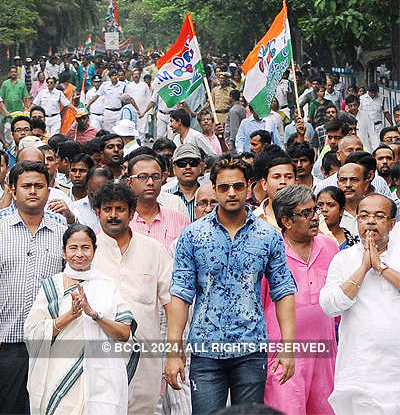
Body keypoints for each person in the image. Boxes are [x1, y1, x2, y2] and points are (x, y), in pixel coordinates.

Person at [165, 155, 297, 414]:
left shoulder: (267, 235)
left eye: (238, 186)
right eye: (224, 187)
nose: (231, 193)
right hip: (205, 349)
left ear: (249, 186)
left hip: (251, 348)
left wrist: (288, 347)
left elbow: (283, 292)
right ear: (214, 188)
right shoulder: (193, 235)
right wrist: (173, 350)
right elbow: (180, 294)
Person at [0, 161, 66, 413]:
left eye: (39, 186)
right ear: (12, 190)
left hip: (52, 341)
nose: (32, 191)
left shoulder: (64, 233)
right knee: (9, 407)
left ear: (48, 191)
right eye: (26, 186)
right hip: (8, 342)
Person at [25, 224, 135, 414]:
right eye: (73, 248)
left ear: (94, 250)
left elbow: (125, 333)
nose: (79, 254)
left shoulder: (106, 286)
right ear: (64, 252)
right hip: (60, 380)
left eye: (85, 247)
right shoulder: (52, 287)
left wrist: (95, 315)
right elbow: (32, 333)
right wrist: (70, 316)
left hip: (103, 382)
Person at [92, 182, 172, 415]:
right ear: (97, 212)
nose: (113, 215)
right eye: (107, 209)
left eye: (120, 209)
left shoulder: (154, 250)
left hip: (146, 357)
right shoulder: (87, 251)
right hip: (99, 355)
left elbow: (171, 302)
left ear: (132, 213)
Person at [320, 194, 400, 414]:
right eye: (364, 216)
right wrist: (363, 269)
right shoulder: (343, 259)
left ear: (392, 224)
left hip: (396, 370)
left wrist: (382, 268)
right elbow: (329, 306)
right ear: (356, 221)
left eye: (379, 216)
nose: (371, 221)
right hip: (360, 370)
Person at [264, 185, 338, 414]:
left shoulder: (330, 245)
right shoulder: (270, 251)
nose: (315, 217)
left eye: (315, 210)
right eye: (306, 213)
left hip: (325, 355)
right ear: (286, 220)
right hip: (284, 356)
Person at [127, 154, 189, 250]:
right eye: (143, 177)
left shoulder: (180, 220)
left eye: (155, 177)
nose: (150, 182)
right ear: (129, 182)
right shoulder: (120, 221)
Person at [163, 143, 204, 222]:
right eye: (182, 164)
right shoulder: (164, 197)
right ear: (174, 169)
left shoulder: (210, 196)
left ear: (200, 167)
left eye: (193, 163)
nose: (188, 167)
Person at [337, 161, 373, 238]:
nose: (348, 185)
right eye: (343, 180)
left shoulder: (375, 209)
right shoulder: (331, 212)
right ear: (337, 184)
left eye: (354, 180)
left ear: (366, 184)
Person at [71, 166, 113, 232]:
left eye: (102, 194)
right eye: (93, 195)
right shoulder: (74, 208)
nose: (98, 200)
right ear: (87, 189)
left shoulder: (118, 210)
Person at [0, 66, 30, 136]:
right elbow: (1, 99)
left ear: (17, 73)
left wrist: (26, 109)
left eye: (15, 72)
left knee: (19, 130)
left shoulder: (22, 83)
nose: (13, 73)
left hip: (19, 112)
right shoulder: (5, 84)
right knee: (7, 133)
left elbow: (26, 97)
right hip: (8, 114)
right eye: (12, 72)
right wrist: (4, 111)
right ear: (9, 74)